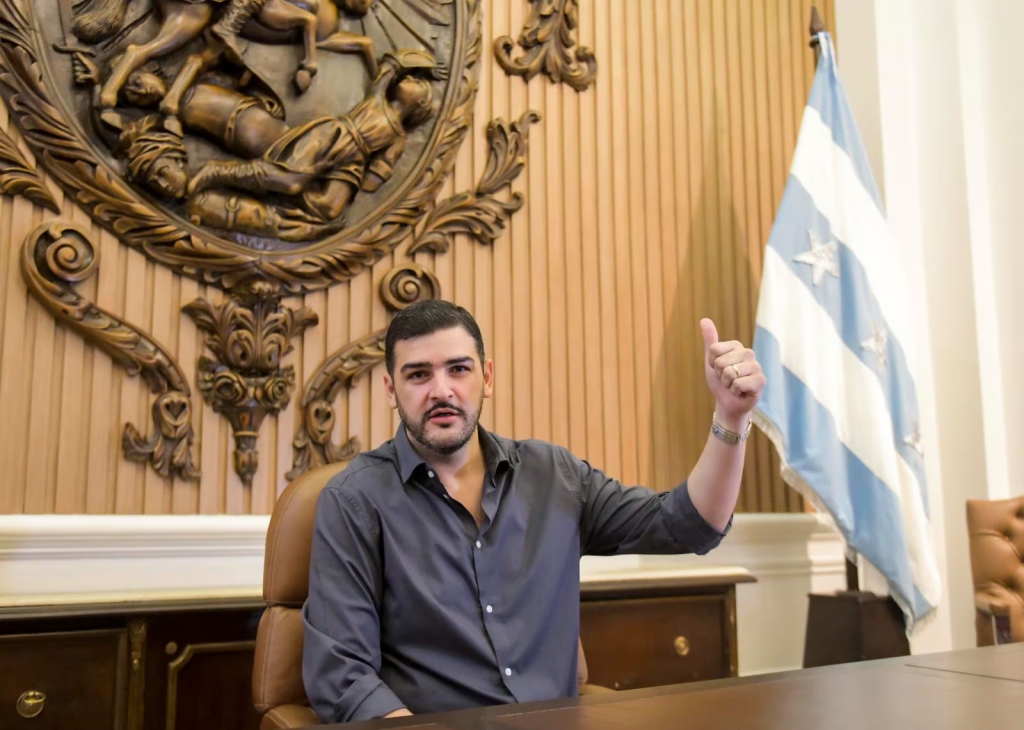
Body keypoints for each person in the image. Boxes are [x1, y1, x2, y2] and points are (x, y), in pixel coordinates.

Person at [302, 299, 766, 723]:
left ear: (486, 378)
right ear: (390, 389)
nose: (441, 390)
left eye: (458, 369)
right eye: (418, 375)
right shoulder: (355, 500)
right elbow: (344, 675)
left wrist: (731, 417)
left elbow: (688, 525)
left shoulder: (553, 474)